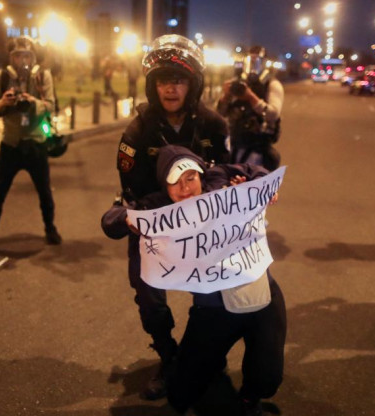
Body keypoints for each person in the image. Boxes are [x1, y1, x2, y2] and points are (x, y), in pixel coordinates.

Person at [102, 145, 285, 416]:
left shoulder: (220, 182)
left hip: (259, 296)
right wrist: (129, 220)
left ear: (202, 175)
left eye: (190, 177)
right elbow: (109, 221)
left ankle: (249, 401)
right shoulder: (159, 206)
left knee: (268, 377)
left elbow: (258, 171)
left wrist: (257, 186)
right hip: (212, 309)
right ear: (165, 185)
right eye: (174, 181)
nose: (184, 188)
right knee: (180, 392)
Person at [113, 34, 230, 400]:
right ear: (152, 85)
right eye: (163, 80)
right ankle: (168, 354)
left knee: (215, 293)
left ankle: (205, 353)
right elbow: (130, 190)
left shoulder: (214, 125)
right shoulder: (137, 130)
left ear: (193, 83)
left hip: (205, 226)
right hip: (157, 226)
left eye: (178, 79)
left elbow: (227, 172)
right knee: (148, 297)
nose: (170, 88)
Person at [0, 36, 60, 258]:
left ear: (33, 56)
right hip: (10, 143)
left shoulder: (42, 75)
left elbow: (51, 105)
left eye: (27, 55)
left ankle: (50, 228)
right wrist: (2, 103)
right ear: (12, 57)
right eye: (18, 55)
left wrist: (33, 103)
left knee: (44, 192)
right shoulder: (1, 76)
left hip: (36, 143)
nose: (23, 60)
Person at [217, 45, 284, 171]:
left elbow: (273, 114)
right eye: (250, 59)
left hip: (258, 147)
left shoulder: (272, 84)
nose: (253, 63)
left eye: (256, 60)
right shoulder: (237, 83)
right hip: (234, 144)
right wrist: (225, 96)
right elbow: (220, 113)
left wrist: (251, 97)